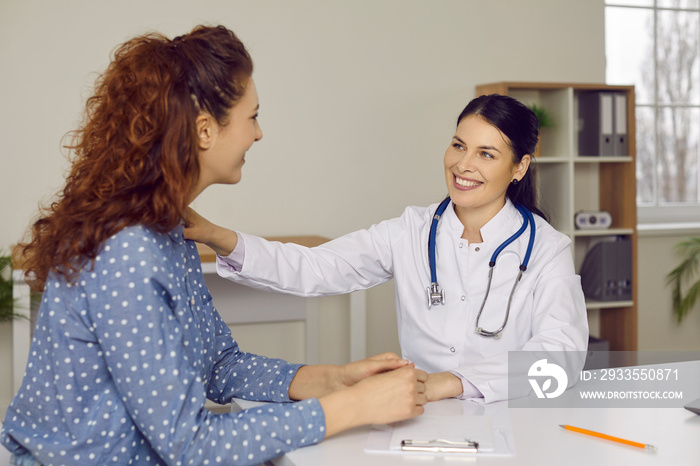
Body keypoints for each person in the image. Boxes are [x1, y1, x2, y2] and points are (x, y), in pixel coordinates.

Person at [0, 25, 429, 466]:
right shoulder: (126, 253)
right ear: (205, 130)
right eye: (253, 116)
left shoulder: (169, 230)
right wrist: (351, 409)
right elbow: (189, 444)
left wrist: (331, 381)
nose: (258, 134)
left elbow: (218, 366)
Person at [184, 93, 589, 404]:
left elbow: (562, 355)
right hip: (422, 417)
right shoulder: (411, 231)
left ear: (519, 167)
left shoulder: (546, 249)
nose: (464, 165)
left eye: (486, 154)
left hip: (513, 424)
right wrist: (221, 237)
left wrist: (452, 382)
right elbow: (317, 267)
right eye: (458, 145)